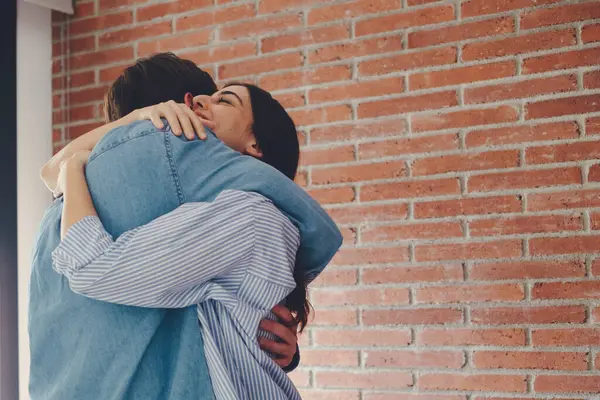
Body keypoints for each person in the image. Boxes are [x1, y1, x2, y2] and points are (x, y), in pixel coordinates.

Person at [29, 53, 342, 399]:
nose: (199, 107)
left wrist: (72, 168)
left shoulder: (61, 213)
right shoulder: (216, 204)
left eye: (223, 100)